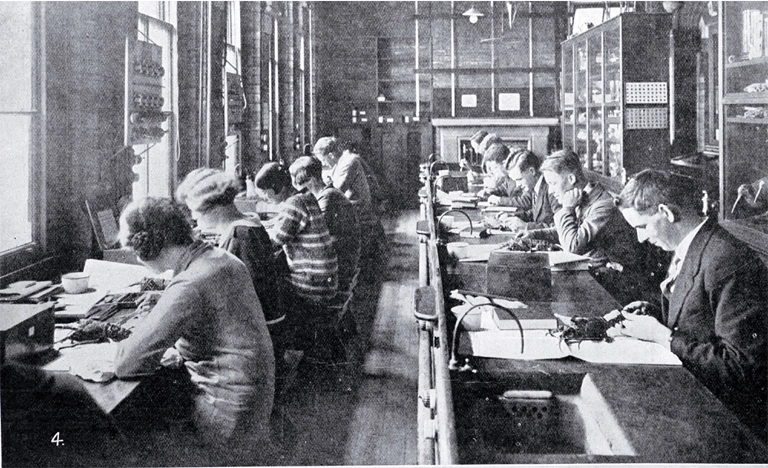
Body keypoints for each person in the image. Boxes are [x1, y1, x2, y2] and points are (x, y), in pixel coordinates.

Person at [114, 197, 276, 465]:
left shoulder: (189, 285)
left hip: (223, 420)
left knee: (123, 432)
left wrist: (145, 321)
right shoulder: (222, 258)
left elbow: (127, 364)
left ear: (146, 247)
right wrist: (164, 302)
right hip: (251, 410)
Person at [611, 169, 768, 440]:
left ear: (667, 212)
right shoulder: (693, 245)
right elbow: (699, 318)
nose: (640, 238)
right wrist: (656, 314)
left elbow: (741, 368)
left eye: (642, 226)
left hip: (730, 420)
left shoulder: (726, 260)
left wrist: (663, 336)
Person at [522, 149, 645, 303]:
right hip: (594, 275)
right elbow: (572, 230)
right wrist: (534, 235)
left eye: (553, 183)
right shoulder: (585, 197)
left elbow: (572, 246)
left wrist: (567, 209)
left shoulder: (603, 205)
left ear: (571, 178)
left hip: (611, 287)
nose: (551, 191)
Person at [254, 162, 338, 307]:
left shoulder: (294, 204)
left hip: (314, 284)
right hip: (325, 279)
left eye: (265, 192)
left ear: (275, 188)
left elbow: (273, 243)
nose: (265, 198)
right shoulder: (305, 197)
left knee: (263, 289)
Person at [289, 156, 361, 296]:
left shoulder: (327, 198)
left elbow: (315, 232)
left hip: (343, 265)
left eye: (296, 180)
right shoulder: (328, 192)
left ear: (310, 178)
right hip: (345, 258)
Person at [498, 150, 560, 231]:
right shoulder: (535, 187)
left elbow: (558, 228)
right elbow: (536, 214)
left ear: (532, 171)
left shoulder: (551, 190)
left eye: (519, 179)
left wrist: (526, 226)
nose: (517, 185)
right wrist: (513, 216)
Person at [482, 143, 530, 207]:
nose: (492, 173)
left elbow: (526, 201)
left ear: (503, 163)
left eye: (494, 168)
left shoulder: (520, 174)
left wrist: (500, 200)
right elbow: (504, 189)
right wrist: (490, 192)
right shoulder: (507, 177)